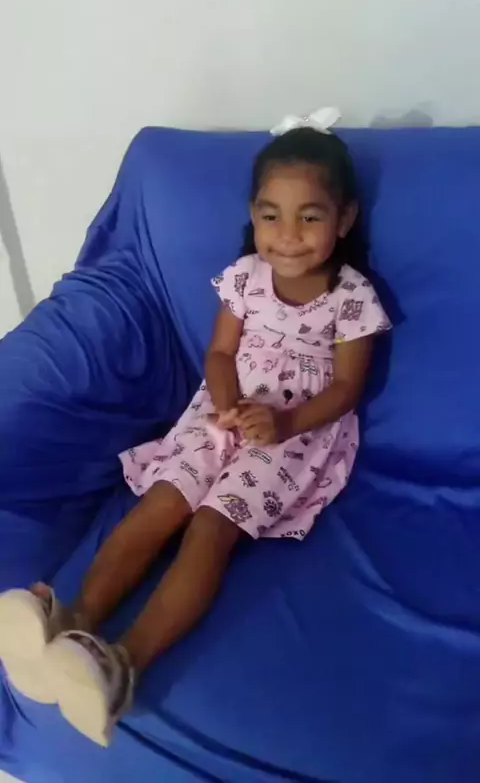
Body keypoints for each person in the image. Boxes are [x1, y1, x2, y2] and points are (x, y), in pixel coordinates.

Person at [0, 109, 391, 747]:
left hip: (294, 436)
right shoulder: (245, 278)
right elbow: (219, 353)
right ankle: (75, 622)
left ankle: (123, 665)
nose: (287, 236)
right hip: (221, 413)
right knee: (160, 505)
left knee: (210, 528)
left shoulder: (351, 298)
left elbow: (346, 391)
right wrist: (228, 403)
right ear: (253, 214)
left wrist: (282, 421)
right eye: (271, 215)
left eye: (310, 217)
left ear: (343, 220)